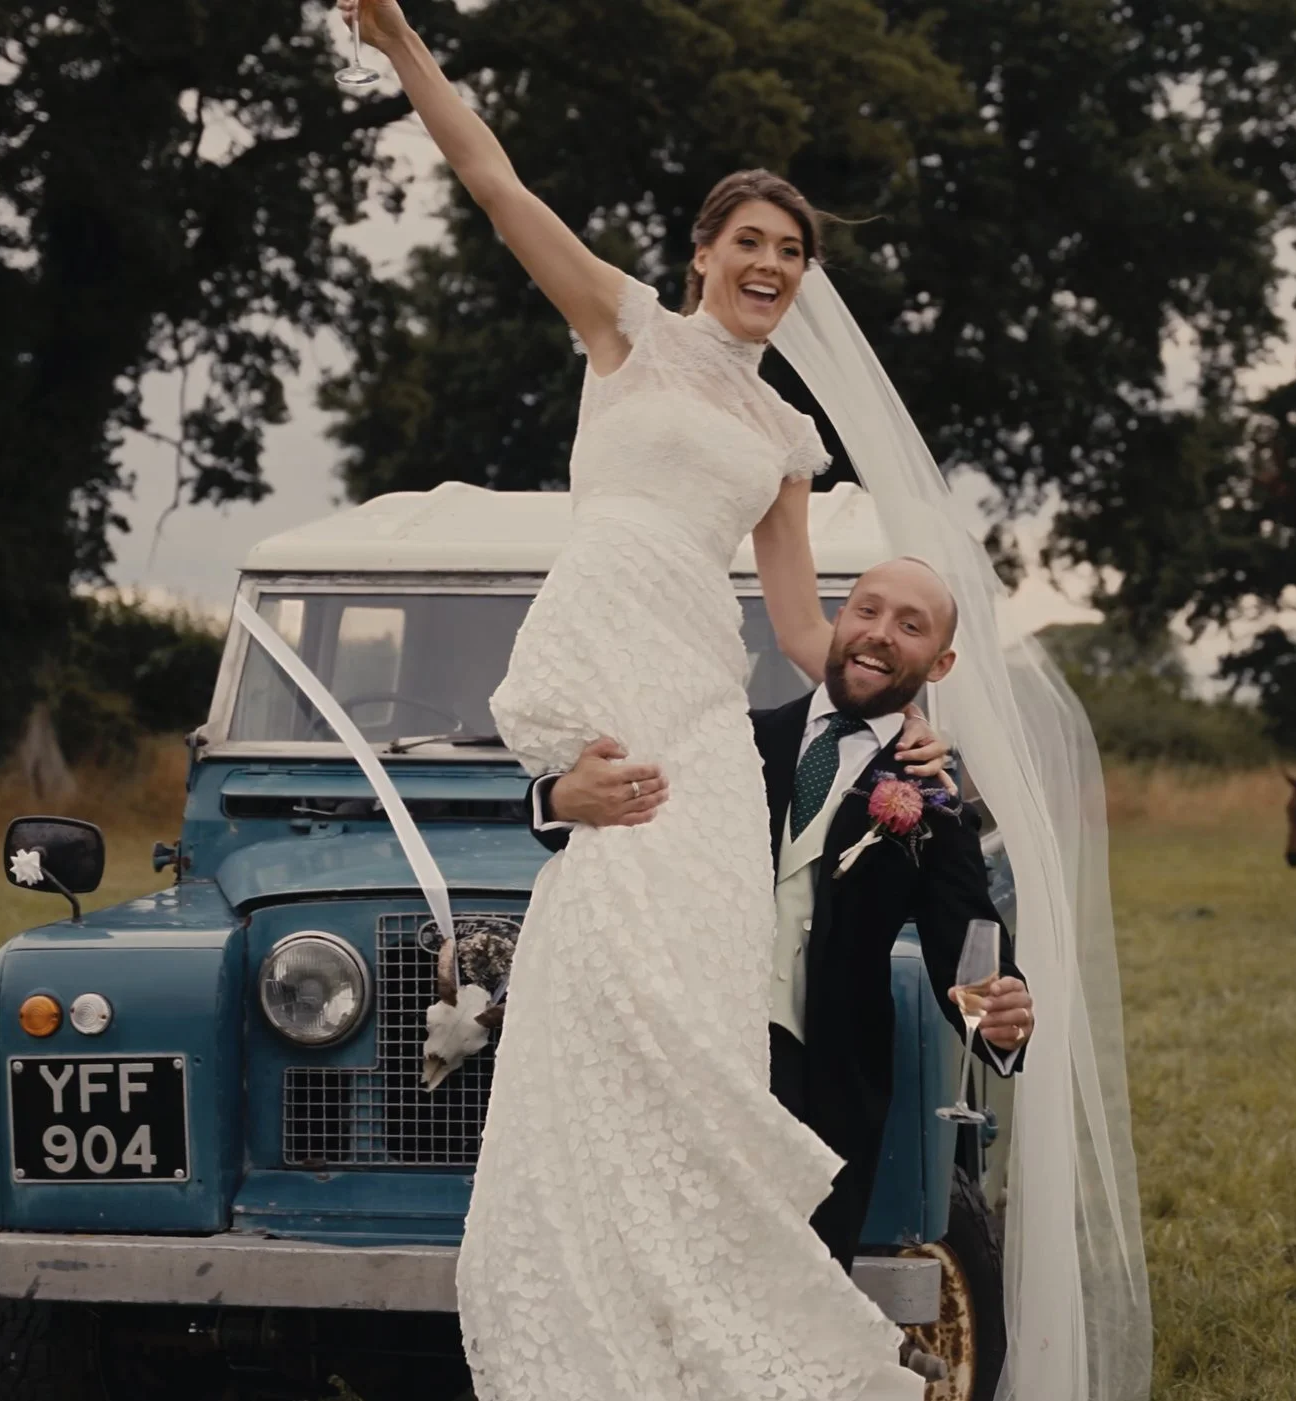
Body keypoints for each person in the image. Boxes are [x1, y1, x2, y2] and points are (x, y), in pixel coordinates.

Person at [338, 3, 949, 1396]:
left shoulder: (784, 438)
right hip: (603, 682)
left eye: (793, 255)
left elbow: (803, 635)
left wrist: (907, 667)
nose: (774, 267)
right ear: (702, 252)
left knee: (690, 1029)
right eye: (753, 243)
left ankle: (697, 1346)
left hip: (700, 734)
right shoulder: (624, 331)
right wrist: (404, 50)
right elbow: (496, 185)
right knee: (600, 1001)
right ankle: (597, 1336)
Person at [529, 558, 1037, 1283]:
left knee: (797, 1298)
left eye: (910, 625)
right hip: (696, 1063)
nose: (880, 634)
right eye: (867, 610)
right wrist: (559, 796)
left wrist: (1000, 1020)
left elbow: (966, 944)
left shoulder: (936, 796)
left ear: (941, 661)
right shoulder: (733, 740)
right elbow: (602, 812)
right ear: (839, 621)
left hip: (826, 1090)